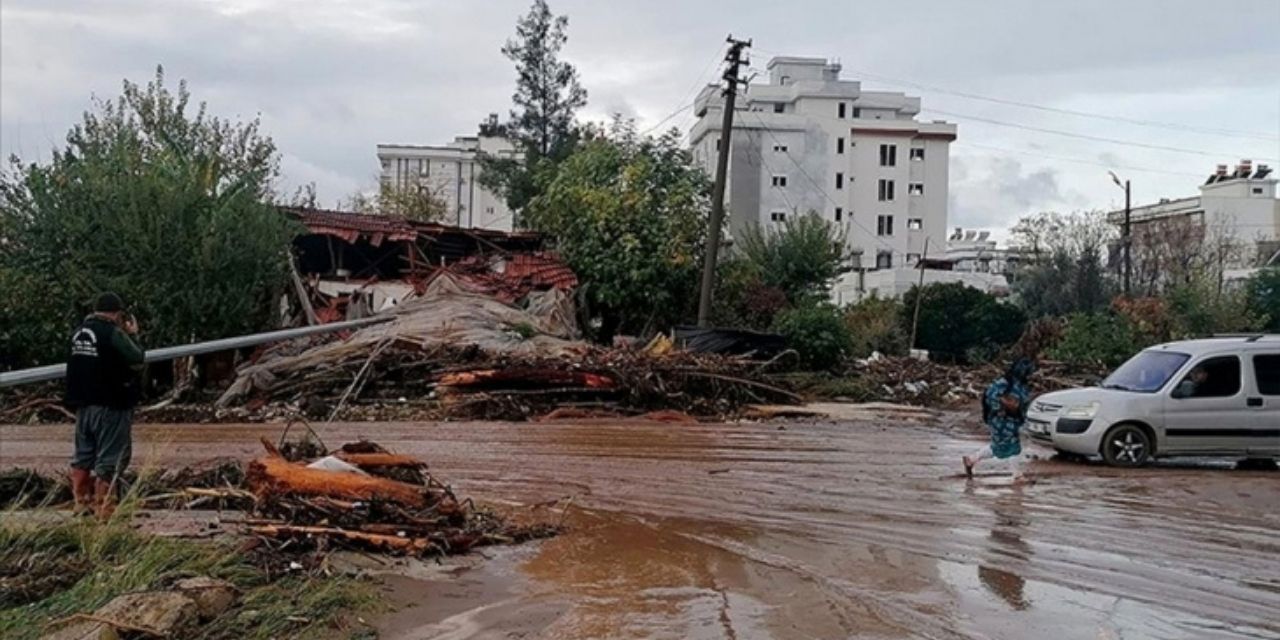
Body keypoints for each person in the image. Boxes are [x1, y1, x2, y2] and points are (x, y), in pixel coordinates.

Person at [65, 292, 144, 519]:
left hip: (83, 406)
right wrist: (134, 336)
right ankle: (105, 510)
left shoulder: (78, 333)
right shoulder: (113, 333)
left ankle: (80, 505)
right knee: (110, 458)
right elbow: (137, 359)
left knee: (82, 456)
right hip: (111, 405)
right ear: (118, 314)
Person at [964, 357, 1035, 480]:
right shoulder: (1004, 383)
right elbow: (990, 396)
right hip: (1001, 420)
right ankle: (1017, 476)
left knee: (998, 446)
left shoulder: (1019, 384)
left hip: (1010, 419)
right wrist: (1002, 407)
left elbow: (1021, 402)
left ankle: (971, 459)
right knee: (1013, 447)